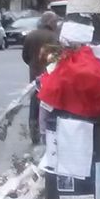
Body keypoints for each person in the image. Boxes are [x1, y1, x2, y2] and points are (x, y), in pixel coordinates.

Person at [22, 11, 59, 144]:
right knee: (48, 105)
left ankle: (34, 131)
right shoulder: (54, 37)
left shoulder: (31, 35)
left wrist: (33, 65)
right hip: (50, 75)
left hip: (34, 74)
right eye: (55, 22)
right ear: (50, 22)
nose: (56, 24)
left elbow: (25, 56)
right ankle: (47, 132)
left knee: (34, 103)